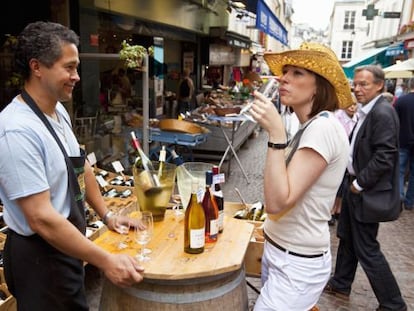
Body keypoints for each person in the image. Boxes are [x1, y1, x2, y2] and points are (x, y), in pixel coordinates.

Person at [0, 21, 144, 310]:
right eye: (69, 67)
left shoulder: (58, 112)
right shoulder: (16, 129)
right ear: (37, 67)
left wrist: (107, 215)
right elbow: (40, 218)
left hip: (65, 248)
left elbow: (81, 167)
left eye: (76, 67)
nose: (76, 76)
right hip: (40, 259)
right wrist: (105, 260)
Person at [249, 42, 352, 310]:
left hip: (296, 262)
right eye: (286, 71)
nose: (283, 78)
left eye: (297, 73)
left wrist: (275, 134)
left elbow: (277, 202)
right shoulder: (308, 125)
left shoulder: (322, 128)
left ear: (319, 85)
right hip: (282, 252)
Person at [325, 65, 407, 311]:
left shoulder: (382, 113)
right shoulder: (366, 110)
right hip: (354, 187)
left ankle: (393, 303)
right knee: (347, 239)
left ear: (380, 85)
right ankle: (341, 282)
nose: (357, 89)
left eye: (364, 84)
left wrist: (360, 184)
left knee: (367, 249)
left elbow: (385, 155)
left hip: (364, 191)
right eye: (356, 84)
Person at [329, 94, 358, 226]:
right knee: (335, 184)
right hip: (337, 154)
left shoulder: (358, 119)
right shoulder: (337, 117)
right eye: (350, 104)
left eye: (355, 105)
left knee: (344, 185)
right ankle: (330, 210)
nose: (352, 107)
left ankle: (338, 209)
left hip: (349, 157)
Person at [394, 77, 414, 211]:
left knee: (399, 172)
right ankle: (409, 201)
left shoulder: (401, 101)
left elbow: (393, 121)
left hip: (402, 140)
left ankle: (399, 198)